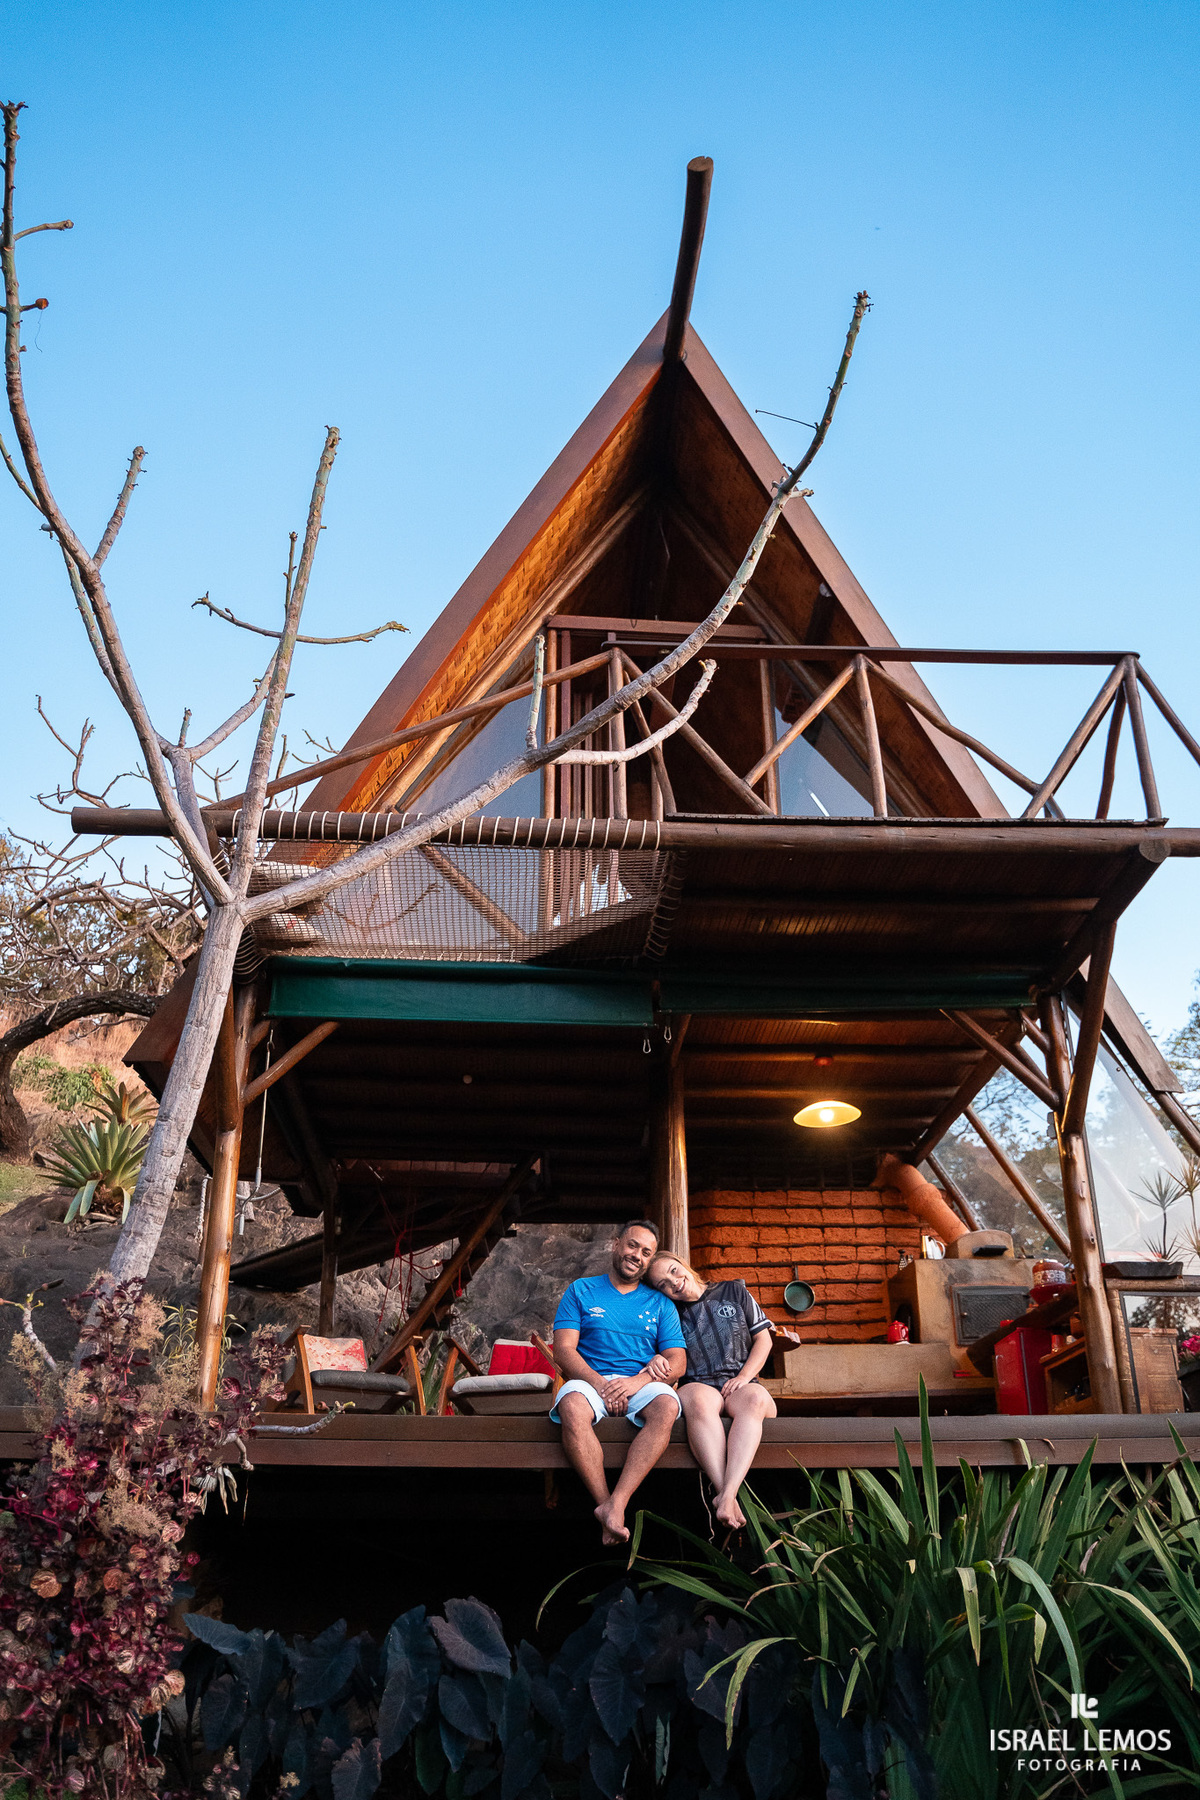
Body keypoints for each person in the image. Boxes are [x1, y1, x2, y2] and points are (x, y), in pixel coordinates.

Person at [551, 1220, 687, 1546]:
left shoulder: (660, 1304)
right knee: (570, 1405)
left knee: (667, 1405)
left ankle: (619, 1502)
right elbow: (563, 1350)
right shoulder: (581, 1290)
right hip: (590, 1379)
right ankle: (605, 1505)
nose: (636, 1255)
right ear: (616, 1244)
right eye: (632, 1245)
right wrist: (600, 1384)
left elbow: (678, 1362)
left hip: (640, 1382)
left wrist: (636, 1382)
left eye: (645, 1252)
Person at [646, 1252, 776, 1529]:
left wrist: (744, 1376)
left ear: (683, 1264)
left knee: (754, 1399)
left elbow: (763, 1340)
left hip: (740, 1382)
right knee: (698, 1401)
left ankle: (725, 1496)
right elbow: (661, 1354)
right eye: (662, 1285)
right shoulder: (668, 1312)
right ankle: (726, 1493)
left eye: (673, 1271)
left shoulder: (733, 1290)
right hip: (698, 1384)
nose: (673, 1283)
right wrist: (655, 1358)